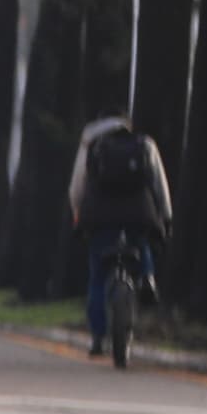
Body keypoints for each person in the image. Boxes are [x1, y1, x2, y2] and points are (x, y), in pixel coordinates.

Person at [68, 113, 174, 357]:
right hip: (138, 212)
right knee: (141, 241)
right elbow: (159, 183)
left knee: (97, 277)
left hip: (100, 217)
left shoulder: (92, 144)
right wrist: (165, 217)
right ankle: (147, 277)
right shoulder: (143, 144)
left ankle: (97, 337)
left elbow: (77, 185)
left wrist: (77, 213)